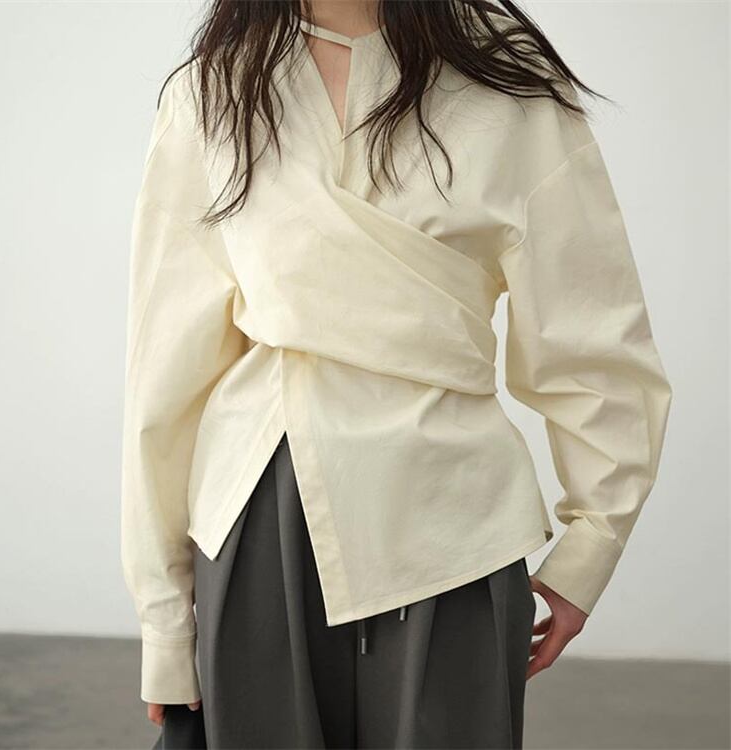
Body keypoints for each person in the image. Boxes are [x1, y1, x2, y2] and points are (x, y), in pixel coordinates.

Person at [120, 0, 673, 748]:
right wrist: (163, 619)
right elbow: (165, 376)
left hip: (454, 520)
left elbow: (594, 337)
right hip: (262, 509)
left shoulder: (507, 79)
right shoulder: (215, 90)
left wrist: (591, 549)